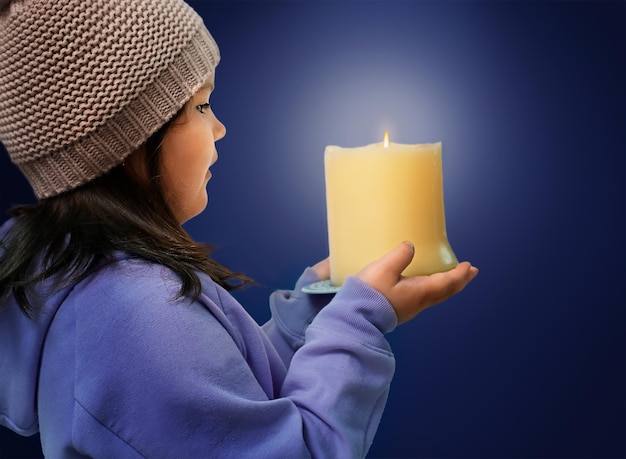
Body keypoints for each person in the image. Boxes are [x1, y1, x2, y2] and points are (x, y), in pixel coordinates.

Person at [0, 0, 478, 457]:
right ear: (130, 143)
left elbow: (221, 408)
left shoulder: (96, 285)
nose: (220, 127)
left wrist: (312, 316)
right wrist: (356, 323)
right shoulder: (137, 316)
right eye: (203, 106)